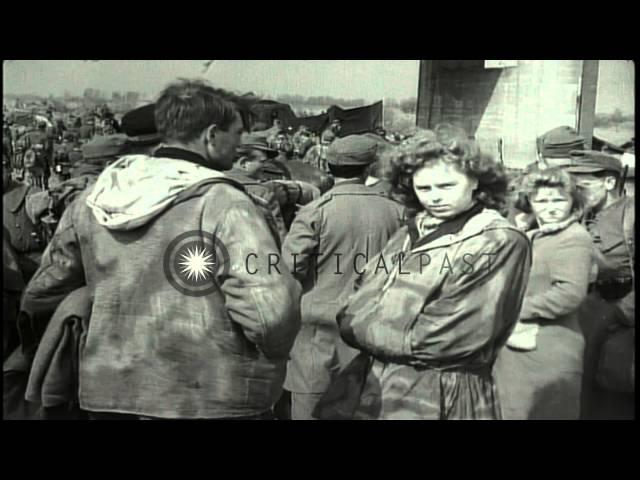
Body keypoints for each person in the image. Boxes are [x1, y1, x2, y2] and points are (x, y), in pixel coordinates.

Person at [17, 79, 302, 420]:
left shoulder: (94, 199)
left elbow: (43, 291)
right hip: (210, 400)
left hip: (109, 392)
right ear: (211, 136)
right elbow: (271, 314)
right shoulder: (228, 205)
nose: (240, 144)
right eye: (237, 133)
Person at [316, 132, 531, 420]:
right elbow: (360, 294)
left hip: (441, 392)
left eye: (447, 185)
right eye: (424, 187)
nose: (435, 196)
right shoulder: (411, 231)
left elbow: (449, 336)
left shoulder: (496, 240)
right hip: (375, 386)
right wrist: (361, 323)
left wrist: (360, 328)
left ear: (476, 180)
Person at [282, 134, 407, 420]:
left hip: (317, 336)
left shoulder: (315, 212)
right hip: (374, 333)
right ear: (368, 169)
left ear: (327, 166)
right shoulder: (397, 212)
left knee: (310, 409)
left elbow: (289, 271)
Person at [493, 167, 593, 419]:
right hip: (521, 344)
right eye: (541, 200)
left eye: (559, 199)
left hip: (547, 349)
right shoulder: (535, 235)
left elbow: (569, 293)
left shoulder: (573, 237)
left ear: (574, 202)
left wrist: (510, 310)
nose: (550, 208)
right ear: (530, 203)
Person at [564, 150, 635, 419]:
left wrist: (622, 313)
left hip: (618, 316)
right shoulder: (578, 214)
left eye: (584, 187)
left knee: (613, 395)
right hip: (582, 311)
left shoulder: (630, 215)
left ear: (608, 183)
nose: (577, 194)